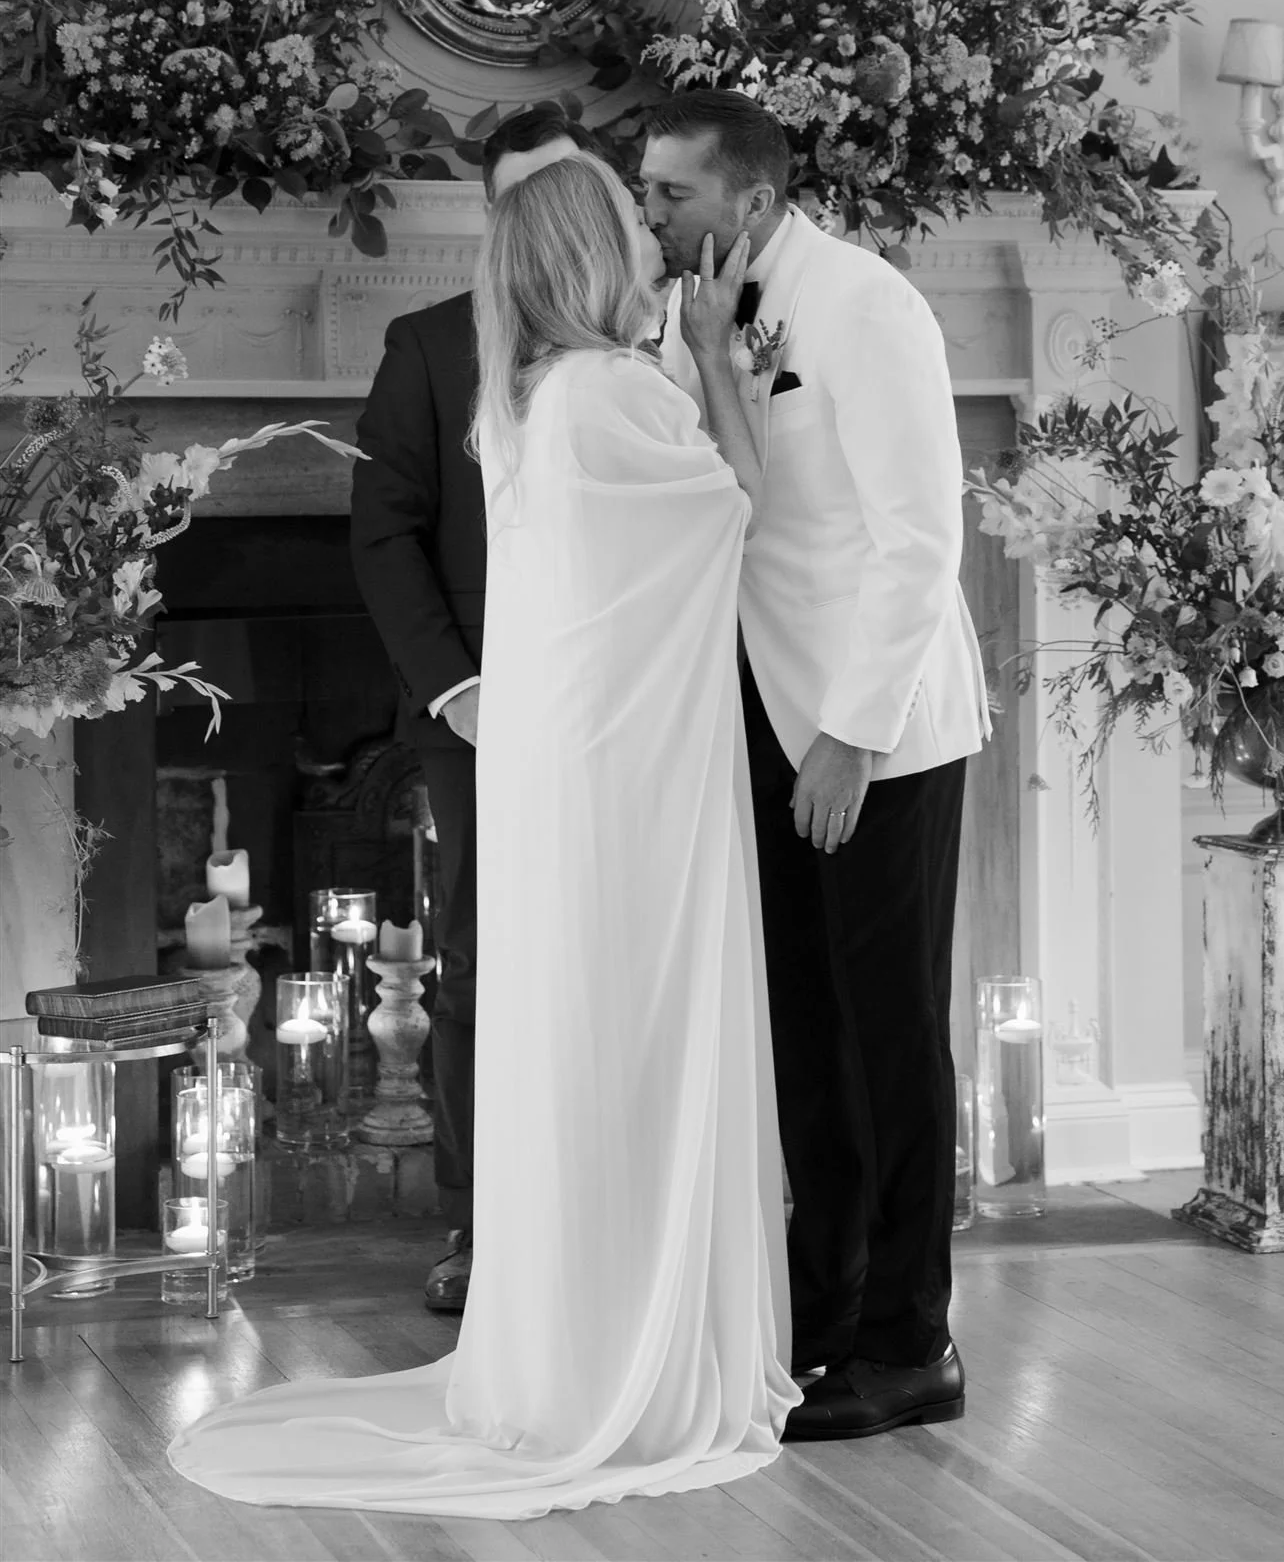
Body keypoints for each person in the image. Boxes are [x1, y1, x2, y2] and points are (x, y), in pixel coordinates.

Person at [170, 155, 800, 1516]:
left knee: (571, 1037)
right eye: (633, 226)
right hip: (630, 782)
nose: (653, 242)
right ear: (590, 253)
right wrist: (712, 357)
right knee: (634, 1036)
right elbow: (743, 511)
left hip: (557, 769)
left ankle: (568, 1335)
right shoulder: (616, 392)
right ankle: (631, 1352)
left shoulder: (523, 399)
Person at [645, 89, 990, 1442]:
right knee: (806, 1031)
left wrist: (850, 732)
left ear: (747, 196)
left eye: (668, 192)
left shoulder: (863, 304)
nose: (648, 214)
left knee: (889, 1033)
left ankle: (913, 1341)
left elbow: (918, 536)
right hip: (760, 707)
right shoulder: (691, 313)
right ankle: (824, 1307)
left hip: (875, 723)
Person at [349, 104, 606, 1314]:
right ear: (494, 216)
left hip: (623, 712)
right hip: (481, 718)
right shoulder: (427, 345)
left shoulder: (643, 344)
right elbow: (382, 532)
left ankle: (609, 1212)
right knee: (482, 961)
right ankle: (480, 1219)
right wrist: (458, 690)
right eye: (521, 202)